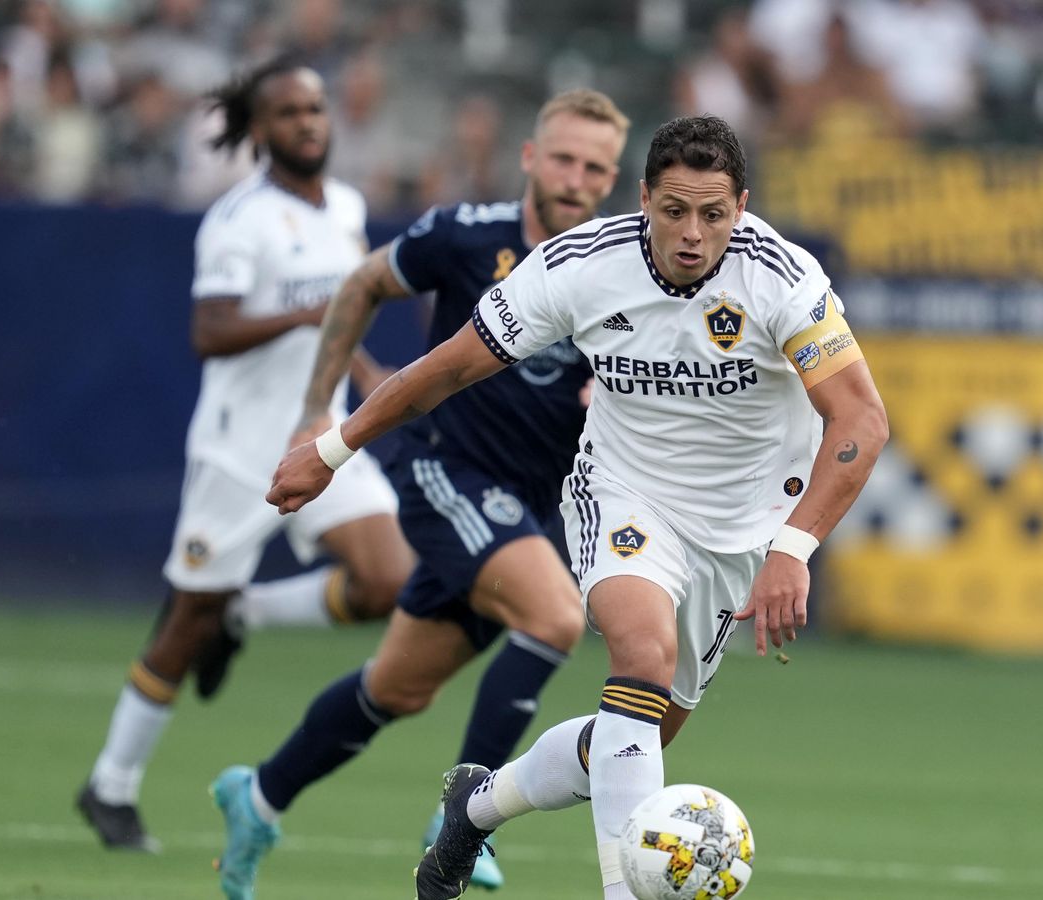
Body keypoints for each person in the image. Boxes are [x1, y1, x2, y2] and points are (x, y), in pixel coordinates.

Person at [267, 114, 890, 899]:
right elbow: (449, 366)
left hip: (744, 529)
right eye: (673, 211)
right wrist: (331, 450)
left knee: (632, 740)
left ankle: (477, 804)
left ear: (741, 206)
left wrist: (792, 551)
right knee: (641, 658)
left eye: (713, 214)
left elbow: (861, 421)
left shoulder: (781, 277)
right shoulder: (579, 265)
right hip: (625, 493)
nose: (692, 234)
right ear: (643, 201)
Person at [208, 89, 631, 897]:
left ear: (611, 179)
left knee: (395, 687)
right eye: (565, 159)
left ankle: (256, 797)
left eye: (596, 168)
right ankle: (465, 817)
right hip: (445, 473)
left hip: (528, 506)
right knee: (552, 616)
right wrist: (314, 410)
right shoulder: (466, 236)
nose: (577, 179)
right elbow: (363, 283)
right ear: (531, 158)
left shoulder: (615, 270)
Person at [75, 58, 414, 853]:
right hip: (240, 449)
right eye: (290, 111)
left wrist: (366, 373)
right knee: (185, 616)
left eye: (316, 107)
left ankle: (248, 612)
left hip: (323, 432)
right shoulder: (238, 220)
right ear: (260, 130)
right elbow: (210, 331)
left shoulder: (345, 207)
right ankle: (110, 787)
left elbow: (345, 315)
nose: (308, 121)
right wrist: (301, 315)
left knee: (392, 581)